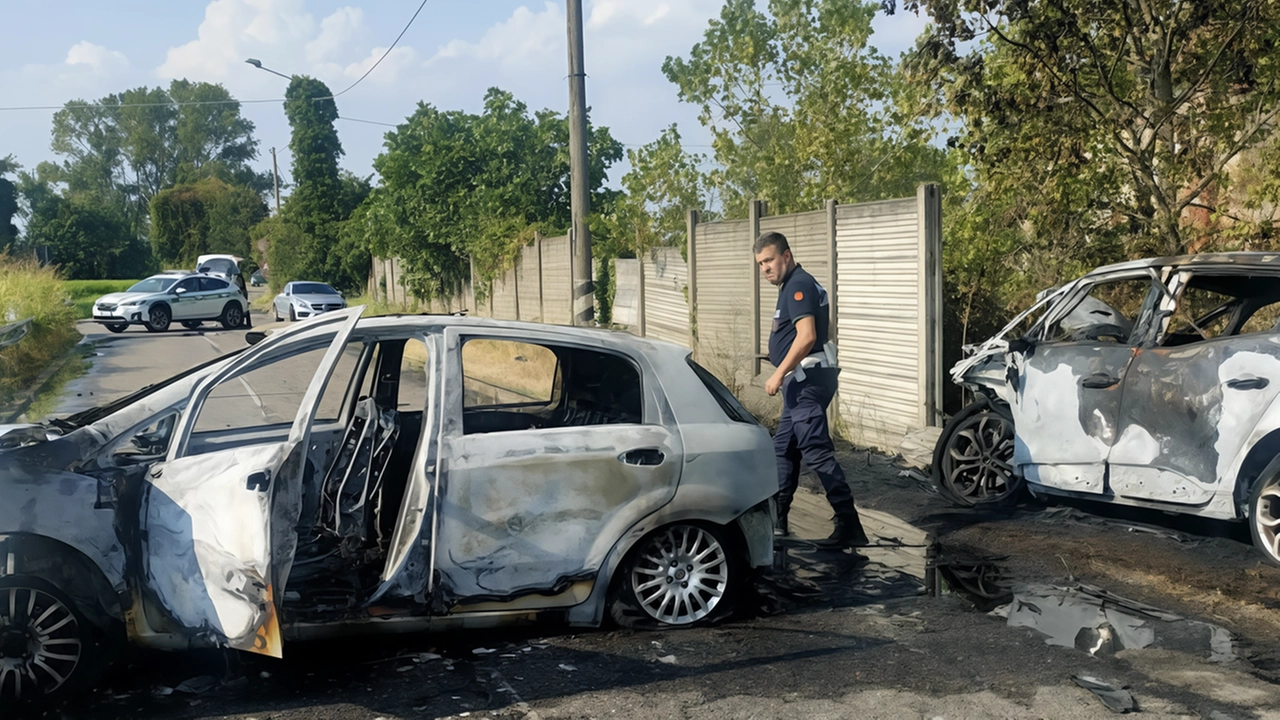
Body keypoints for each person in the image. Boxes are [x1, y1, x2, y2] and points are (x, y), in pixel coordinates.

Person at [754, 231, 870, 549]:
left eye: (769, 260)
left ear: (786, 256)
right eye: (760, 263)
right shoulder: (797, 285)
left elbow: (806, 337)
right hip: (803, 380)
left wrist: (778, 373)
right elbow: (826, 331)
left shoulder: (798, 285)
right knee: (784, 450)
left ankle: (849, 524)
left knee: (815, 450)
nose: (765, 268)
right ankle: (778, 521)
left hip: (805, 381)